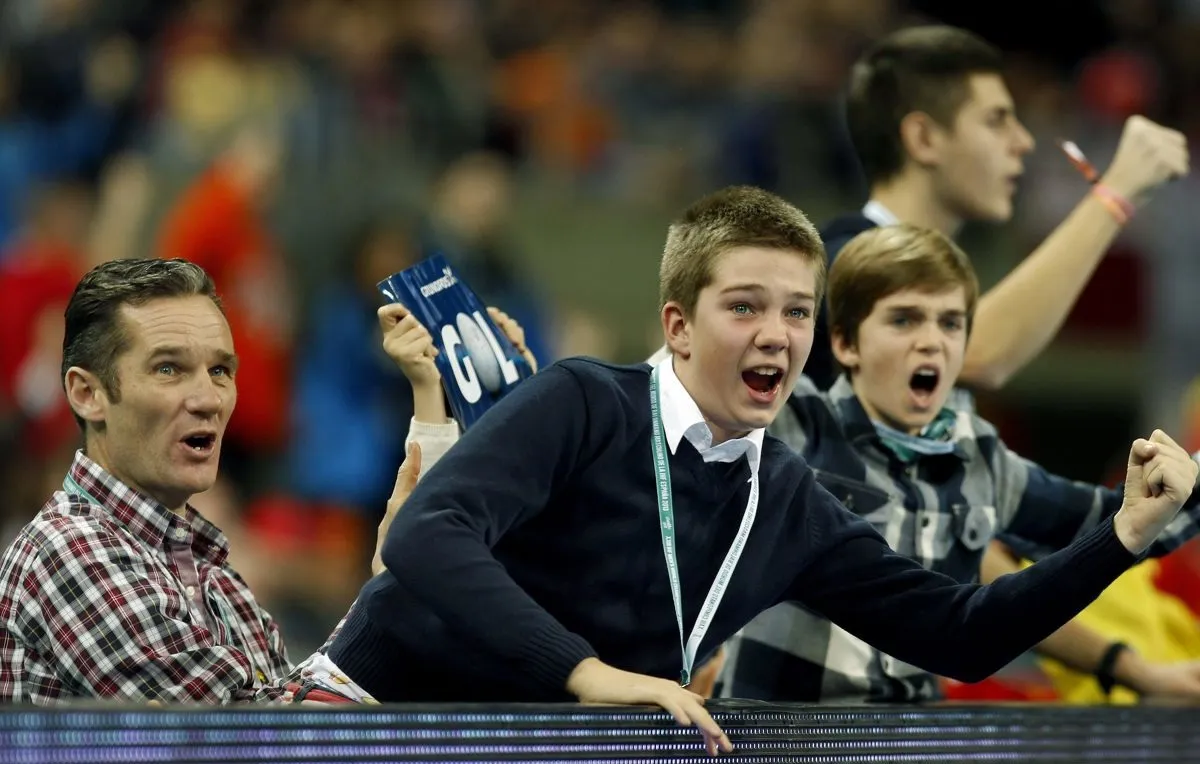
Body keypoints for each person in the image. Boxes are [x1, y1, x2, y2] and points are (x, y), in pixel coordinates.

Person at [283, 186, 1195, 757]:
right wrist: (588, 673)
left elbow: (958, 632)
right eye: (745, 306)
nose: (777, 333)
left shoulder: (785, 498)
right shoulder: (584, 401)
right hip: (368, 718)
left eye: (796, 311)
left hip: (543, 746)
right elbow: (422, 537)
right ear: (678, 324)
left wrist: (1121, 537)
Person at [716, 224, 1200, 704]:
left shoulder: (982, 458)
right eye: (904, 319)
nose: (932, 342)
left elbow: (1120, 520)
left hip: (914, 740)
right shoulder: (786, 426)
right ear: (845, 343)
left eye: (949, 322)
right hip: (777, 738)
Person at [0, 257, 417, 704]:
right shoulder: (71, 553)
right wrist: (388, 584)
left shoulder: (213, 575)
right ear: (88, 393)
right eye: (168, 369)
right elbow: (267, 742)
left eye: (219, 371)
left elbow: (283, 701)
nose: (207, 399)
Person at [805, 25, 1188, 392]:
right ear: (923, 138)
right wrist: (1115, 194)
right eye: (996, 120)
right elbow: (976, 354)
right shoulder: (840, 259)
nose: (1023, 142)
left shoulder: (946, 277)